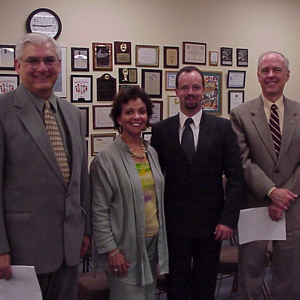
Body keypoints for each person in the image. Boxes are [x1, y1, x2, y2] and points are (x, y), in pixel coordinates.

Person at [0, 33, 91, 300]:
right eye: (33, 61)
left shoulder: (72, 113)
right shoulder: (3, 111)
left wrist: (85, 230)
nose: (42, 68)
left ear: (59, 65)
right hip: (21, 252)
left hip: (69, 248)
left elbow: (80, 177)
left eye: (49, 60)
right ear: (18, 66)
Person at [151, 66, 244, 300]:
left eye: (195, 87)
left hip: (212, 226)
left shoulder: (223, 128)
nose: (190, 92)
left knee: (205, 286)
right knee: (177, 286)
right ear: (176, 91)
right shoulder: (161, 130)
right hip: (174, 224)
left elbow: (236, 176)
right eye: (185, 88)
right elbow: (155, 179)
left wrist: (228, 219)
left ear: (204, 91)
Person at [230, 51, 300, 300]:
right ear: (257, 76)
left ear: (287, 75)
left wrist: (284, 197)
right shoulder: (240, 114)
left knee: (288, 277)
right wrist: (271, 192)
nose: (271, 75)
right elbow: (242, 161)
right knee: (250, 276)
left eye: (277, 70)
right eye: (265, 70)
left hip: (292, 208)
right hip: (254, 206)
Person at [90, 87, 168, 300]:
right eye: (129, 112)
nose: (136, 117)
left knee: (148, 297)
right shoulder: (106, 159)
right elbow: (98, 210)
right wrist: (112, 251)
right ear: (118, 117)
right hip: (124, 248)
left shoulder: (151, 152)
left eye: (142, 111)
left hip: (151, 242)